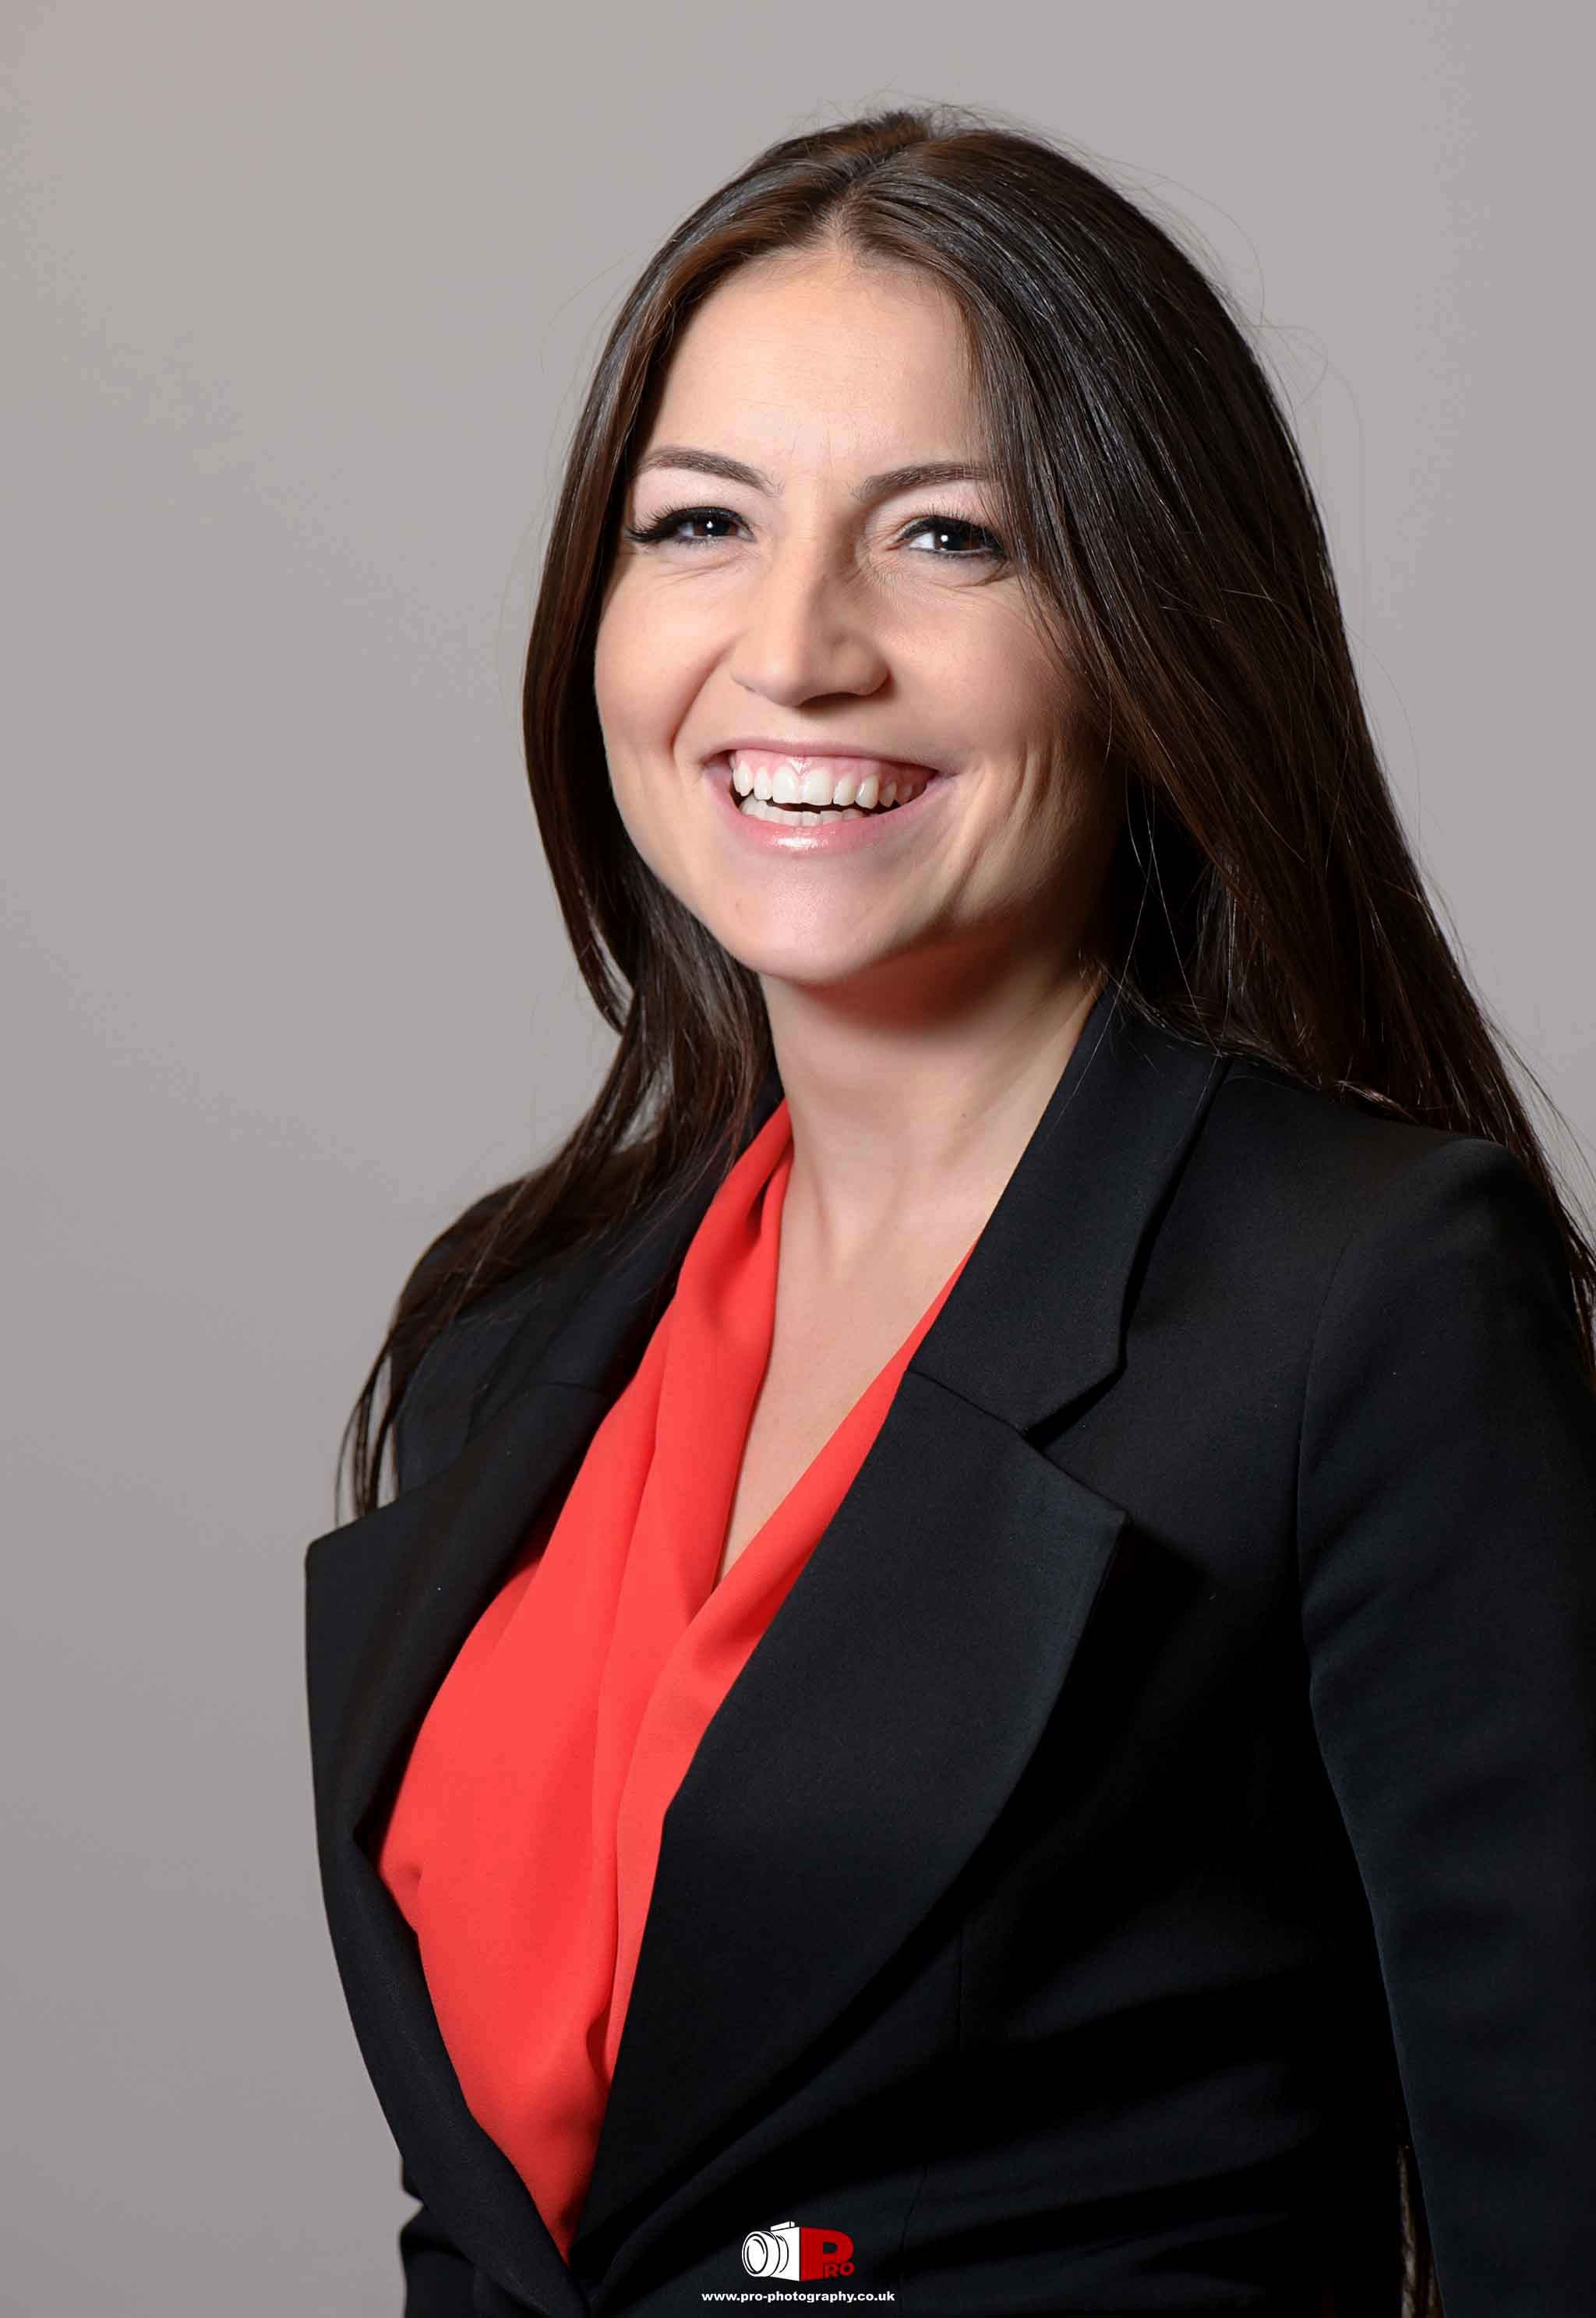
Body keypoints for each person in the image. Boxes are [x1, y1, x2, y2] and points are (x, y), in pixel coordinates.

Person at [304, 104, 1596, 2318]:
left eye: (947, 541)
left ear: (1145, 622)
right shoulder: (507, 1338)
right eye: (699, 523)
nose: (796, 649)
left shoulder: (1366, 1301)